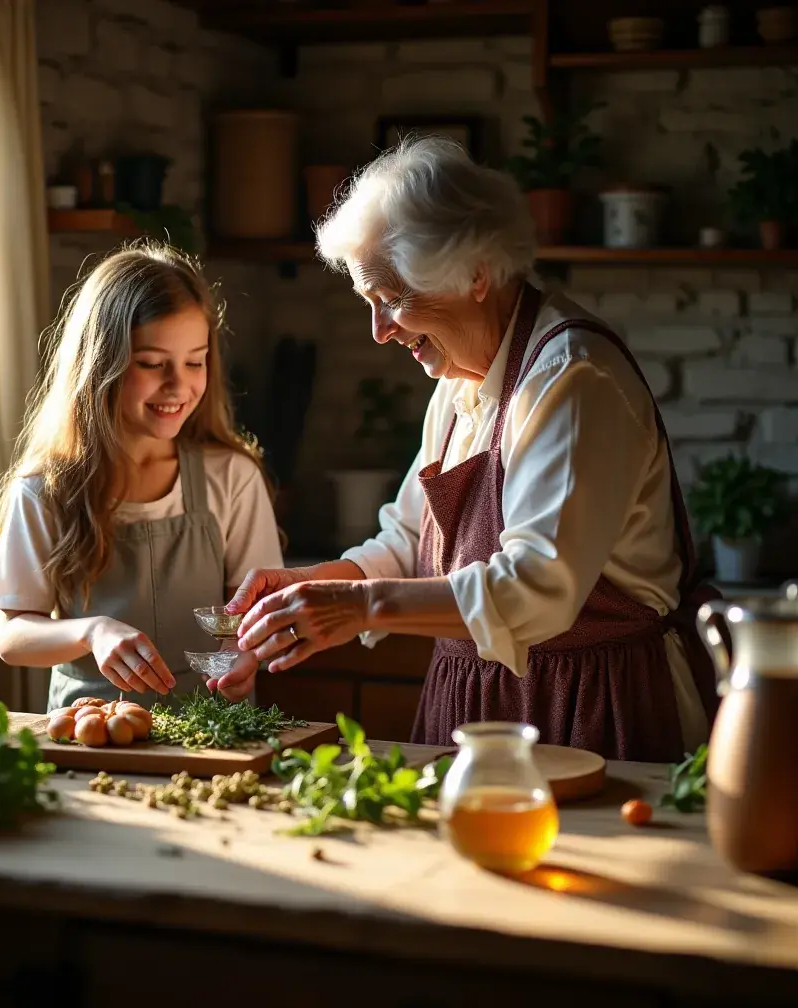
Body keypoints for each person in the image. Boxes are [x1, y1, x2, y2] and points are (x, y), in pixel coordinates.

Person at [215, 137, 718, 762]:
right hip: (478, 704)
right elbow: (409, 542)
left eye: (393, 300)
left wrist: (360, 607)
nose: (379, 333)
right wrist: (317, 585)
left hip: (593, 704)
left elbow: (537, 588)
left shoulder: (573, 378)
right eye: (369, 304)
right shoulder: (461, 378)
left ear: (476, 275)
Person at [0, 241, 282, 710]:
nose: (178, 385)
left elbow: (256, 611)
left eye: (195, 361)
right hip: (92, 732)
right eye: (153, 364)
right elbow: (13, 636)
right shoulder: (45, 489)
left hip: (218, 737)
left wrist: (242, 653)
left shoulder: (232, 476)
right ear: (100, 365)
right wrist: (92, 631)